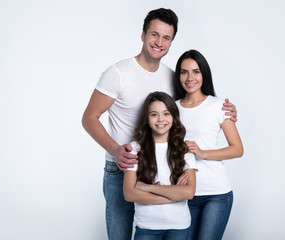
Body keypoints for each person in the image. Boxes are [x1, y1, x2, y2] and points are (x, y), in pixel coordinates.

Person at [82, 8, 238, 239]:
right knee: (120, 233)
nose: (159, 42)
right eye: (154, 34)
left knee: (158, 228)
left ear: (171, 42)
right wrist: (115, 150)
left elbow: (189, 105)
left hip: (160, 168)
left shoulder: (171, 77)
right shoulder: (118, 73)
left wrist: (225, 112)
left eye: (166, 37)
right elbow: (89, 118)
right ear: (143, 35)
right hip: (123, 165)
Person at [173, 49, 244, 240]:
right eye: (184, 72)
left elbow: (237, 149)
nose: (190, 77)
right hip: (184, 192)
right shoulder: (171, 108)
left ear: (204, 74)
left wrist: (203, 153)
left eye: (196, 71)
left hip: (216, 194)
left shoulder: (218, 106)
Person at [123, 91, 196, 240]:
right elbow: (129, 194)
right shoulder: (135, 148)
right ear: (147, 119)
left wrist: (147, 187)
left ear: (173, 117)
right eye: (154, 114)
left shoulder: (184, 149)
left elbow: (188, 192)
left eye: (166, 113)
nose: (160, 119)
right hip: (147, 227)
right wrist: (174, 195)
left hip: (179, 226)